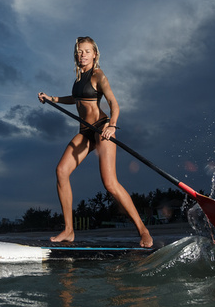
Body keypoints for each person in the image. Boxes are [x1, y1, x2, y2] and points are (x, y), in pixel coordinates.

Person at [38, 36, 153, 248]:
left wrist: (112, 125)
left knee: (110, 183)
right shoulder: (78, 78)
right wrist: (52, 98)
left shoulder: (98, 74)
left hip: (101, 128)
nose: (82, 55)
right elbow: (76, 99)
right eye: (79, 51)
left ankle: (143, 230)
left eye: (87, 51)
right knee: (61, 171)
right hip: (84, 132)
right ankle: (69, 230)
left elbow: (114, 104)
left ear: (95, 54)